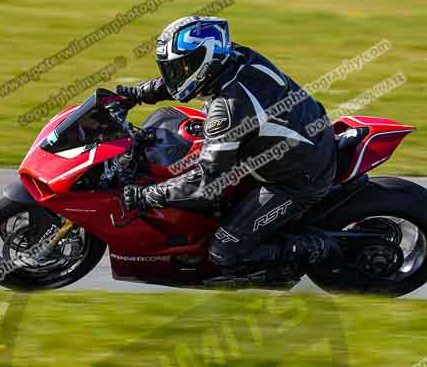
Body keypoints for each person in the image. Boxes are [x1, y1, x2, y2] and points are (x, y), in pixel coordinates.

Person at [116, 15, 340, 279]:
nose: (178, 74)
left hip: (296, 179)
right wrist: (138, 94)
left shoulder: (228, 108)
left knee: (225, 251)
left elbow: (206, 184)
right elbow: (183, 83)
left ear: (207, 60)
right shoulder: (233, 57)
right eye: (174, 67)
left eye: (184, 66)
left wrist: (147, 196)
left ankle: (316, 248)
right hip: (300, 135)